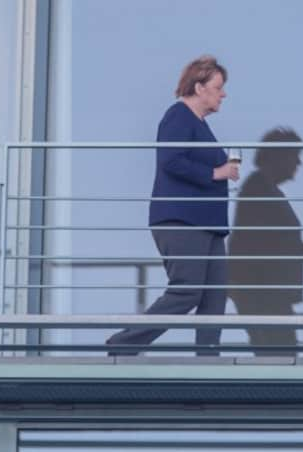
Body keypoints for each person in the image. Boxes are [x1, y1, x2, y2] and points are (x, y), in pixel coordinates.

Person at [106, 55, 238, 356]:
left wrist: (223, 168)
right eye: (219, 87)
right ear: (200, 87)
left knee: (214, 296)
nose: (224, 94)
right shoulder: (178, 116)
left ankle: (208, 359)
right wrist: (215, 172)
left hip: (209, 226)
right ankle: (124, 344)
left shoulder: (200, 124)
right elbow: (171, 160)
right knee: (187, 290)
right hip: (183, 221)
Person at [228, 127, 303, 356]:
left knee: (280, 356)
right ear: (279, 156)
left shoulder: (263, 188)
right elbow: (259, 243)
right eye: (294, 156)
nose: (298, 163)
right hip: (262, 292)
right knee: (280, 356)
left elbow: (268, 242)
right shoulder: (258, 188)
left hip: (268, 292)